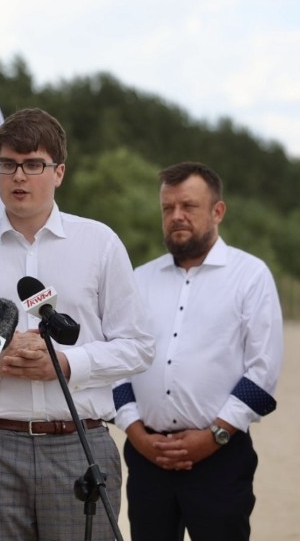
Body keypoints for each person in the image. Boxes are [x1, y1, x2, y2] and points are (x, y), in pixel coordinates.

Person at [0, 107, 154, 540]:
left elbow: (138, 346)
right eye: (8, 164)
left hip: (78, 440)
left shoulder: (99, 243)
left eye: (33, 164)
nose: (19, 176)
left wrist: (65, 364)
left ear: (59, 172)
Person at [114, 161, 283, 541]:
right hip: (146, 458)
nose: (176, 217)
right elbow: (119, 362)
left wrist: (215, 437)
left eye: (188, 206)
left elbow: (264, 370)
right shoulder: (138, 280)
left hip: (221, 458)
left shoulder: (250, 276)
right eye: (168, 208)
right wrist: (136, 433)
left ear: (217, 211)